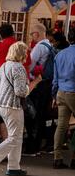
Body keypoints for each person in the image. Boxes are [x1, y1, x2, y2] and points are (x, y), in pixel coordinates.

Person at [0, 42, 41, 176]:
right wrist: (34, 83)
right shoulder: (19, 68)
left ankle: (13, 166)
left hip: (2, 106)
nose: (27, 55)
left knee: (16, 136)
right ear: (21, 53)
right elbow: (21, 92)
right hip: (13, 106)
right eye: (25, 52)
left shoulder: (3, 66)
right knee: (14, 137)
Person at [24, 23, 57, 155]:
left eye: (32, 34)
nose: (31, 36)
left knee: (33, 115)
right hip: (47, 84)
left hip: (37, 84)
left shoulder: (39, 47)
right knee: (42, 115)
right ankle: (40, 145)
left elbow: (29, 65)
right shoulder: (50, 45)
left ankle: (31, 147)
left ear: (36, 34)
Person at [52, 29, 75, 169]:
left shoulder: (59, 55)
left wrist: (53, 95)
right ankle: (74, 158)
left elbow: (55, 79)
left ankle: (57, 157)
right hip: (74, 91)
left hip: (61, 91)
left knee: (61, 125)